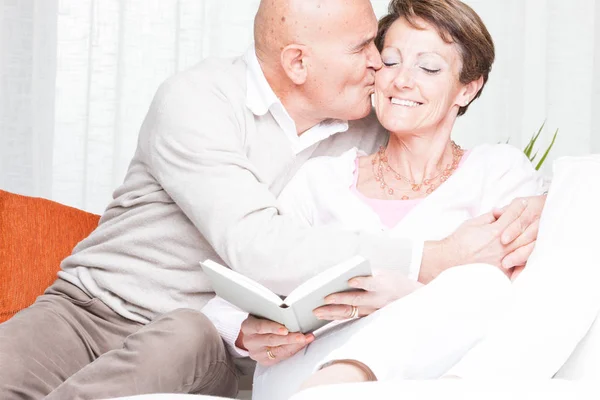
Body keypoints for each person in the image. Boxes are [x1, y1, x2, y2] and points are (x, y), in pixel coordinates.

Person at [0, 1, 544, 399]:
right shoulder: (200, 100)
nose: (384, 68)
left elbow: (452, 169)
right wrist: (434, 257)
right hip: (86, 308)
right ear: (299, 64)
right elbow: (259, 249)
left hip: (194, 335)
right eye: (369, 50)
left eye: (383, 50)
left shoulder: (370, 125)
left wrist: (552, 210)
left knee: (186, 334)